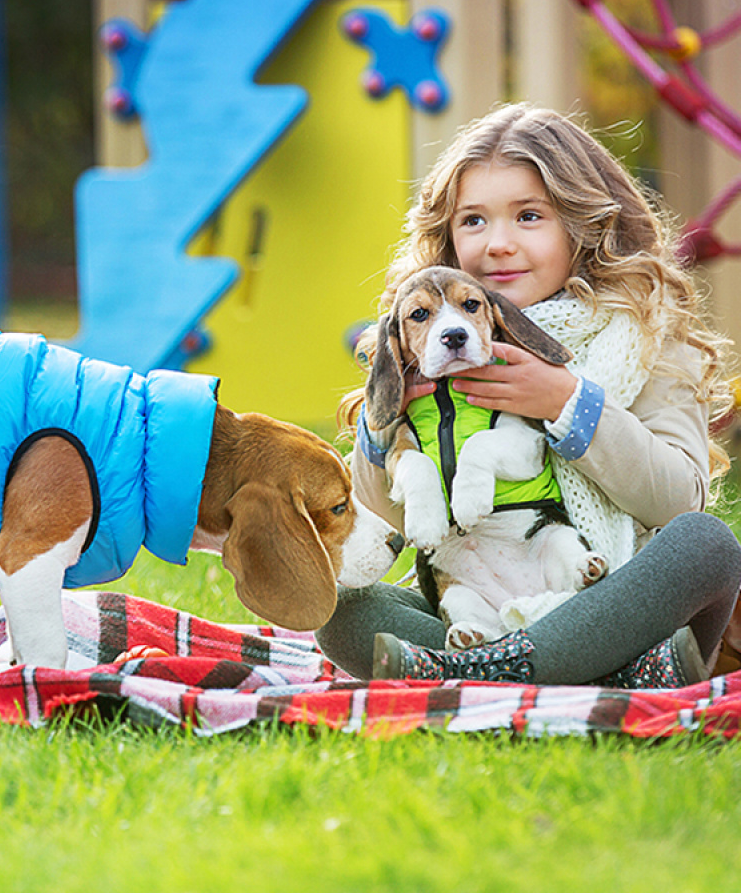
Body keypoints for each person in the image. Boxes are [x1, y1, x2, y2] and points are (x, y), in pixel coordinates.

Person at [317, 102, 741, 687]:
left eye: (529, 217)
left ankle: (478, 672)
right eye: (473, 221)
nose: (497, 244)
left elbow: (677, 501)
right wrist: (383, 421)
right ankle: (563, 670)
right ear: (447, 237)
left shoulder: (647, 335)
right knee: (338, 605)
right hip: (480, 600)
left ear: (584, 224)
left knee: (706, 544)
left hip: (613, 604)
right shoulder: (426, 339)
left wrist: (566, 403)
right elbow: (382, 525)